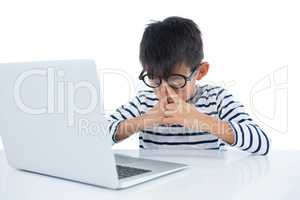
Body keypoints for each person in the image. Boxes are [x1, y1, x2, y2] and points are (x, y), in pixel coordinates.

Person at [107, 16, 270, 155]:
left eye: (176, 81)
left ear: (200, 71)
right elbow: (96, 137)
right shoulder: (144, 102)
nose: (164, 92)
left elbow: (262, 143)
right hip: (156, 189)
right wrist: (146, 119)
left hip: (207, 185)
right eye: (154, 79)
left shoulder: (216, 99)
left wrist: (201, 120)